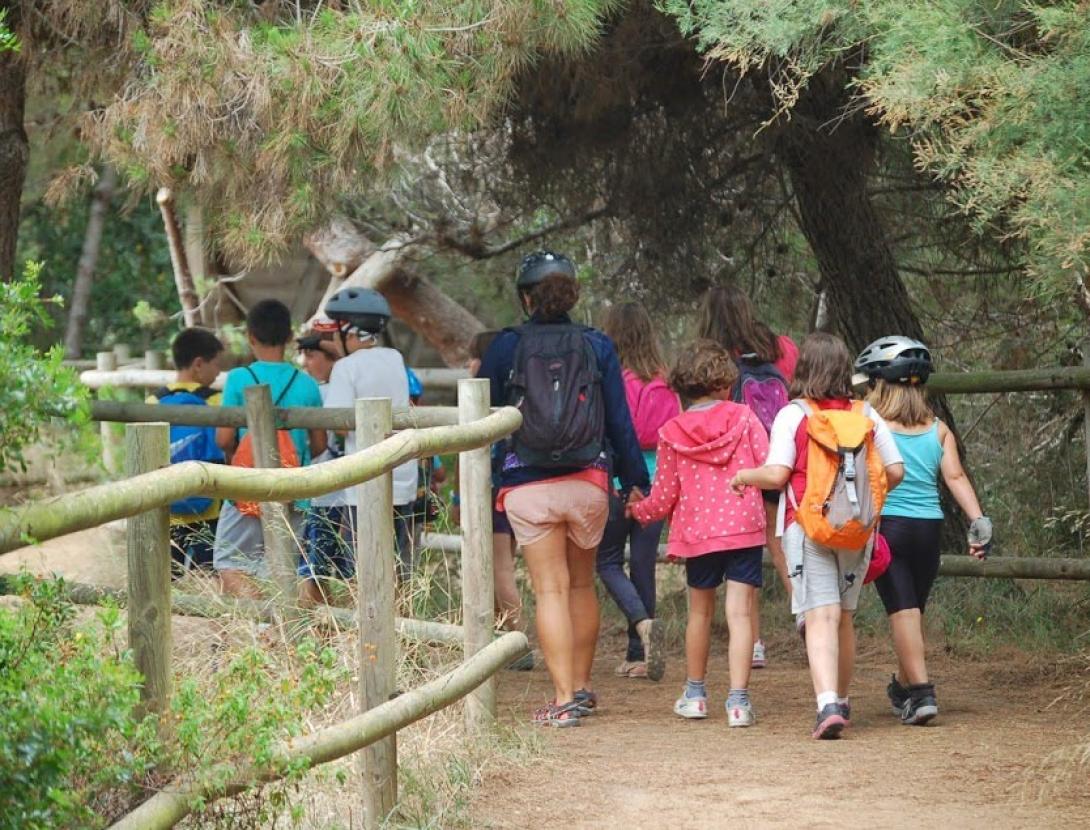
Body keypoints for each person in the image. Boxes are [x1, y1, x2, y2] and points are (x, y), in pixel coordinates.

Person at [478, 251, 649, 727]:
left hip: (527, 483)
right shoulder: (597, 344)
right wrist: (635, 480)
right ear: (573, 293)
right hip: (589, 483)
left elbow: (480, 414)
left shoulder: (505, 347)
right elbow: (619, 420)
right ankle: (583, 685)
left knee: (549, 590)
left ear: (526, 297)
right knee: (579, 584)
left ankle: (561, 698)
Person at [730, 332, 905, 739]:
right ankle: (842, 699)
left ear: (803, 367)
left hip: (806, 526)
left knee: (819, 615)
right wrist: (865, 499)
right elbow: (895, 470)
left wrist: (743, 476)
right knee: (844, 617)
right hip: (857, 529)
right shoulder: (867, 414)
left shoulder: (795, 414)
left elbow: (777, 474)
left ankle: (827, 702)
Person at [627, 341, 768, 726]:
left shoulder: (671, 432)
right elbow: (766, 464)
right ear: (725, 383)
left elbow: (665, 495)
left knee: (700, 614)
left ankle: (696, 693)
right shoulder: (744, 417)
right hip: (743, 527)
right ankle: (738, 703)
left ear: (681, 387)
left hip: (699, 532)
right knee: (740, 614)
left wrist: (638, 510)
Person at [854, 336, 992, 725]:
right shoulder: (938, 428)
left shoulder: (871, 424)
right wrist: (978, 522)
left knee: (902, 611)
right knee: (913, 611)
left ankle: (922, 694)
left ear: (880, 385)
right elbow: (956, 476)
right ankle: (902, 685)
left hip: (890, 527)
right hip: (928, 530)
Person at [697, 284, 795, 668]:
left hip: (738, 462)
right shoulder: (780, 347)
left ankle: (752, 641)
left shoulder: (712, 357)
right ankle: (808, 610)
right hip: (784, 454)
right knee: (783, 539)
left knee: (748, 543)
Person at [213, 300, 326, 597]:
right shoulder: (307, 384)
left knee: (228, 562)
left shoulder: (238, 379)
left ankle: (261, 626)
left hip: (246, 486)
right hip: (295, 489)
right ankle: (283, 630)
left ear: (250, 336)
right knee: (284, 566)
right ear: (290, 337)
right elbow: (320, 444)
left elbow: (224, 440)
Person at [598, 302, 679, 681]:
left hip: (616, 484)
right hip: (656, 486)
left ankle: (641, 629)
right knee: (644, 566)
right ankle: (641, 654)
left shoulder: (611, 379)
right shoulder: (665, 381)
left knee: (608, 561)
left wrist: (622, 483)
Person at [322, 287, 420, 582]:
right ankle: (403, 621)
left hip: (364, 476)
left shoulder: (345, 367)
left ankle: (369, 626)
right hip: (402, 472)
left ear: (349, 330)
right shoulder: (395, 358)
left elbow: (338, 422)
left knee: (365, 564)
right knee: (398, 565)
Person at [147, 327, 226, 577]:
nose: (218, 372)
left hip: (165, 509)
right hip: (209, 509)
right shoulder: (216, 401)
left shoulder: (154, 402)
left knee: (168, 582)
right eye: (216, 364)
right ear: (198, 364)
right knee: (210, 579)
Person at [296, 334, 353, 604]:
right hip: (340, 492)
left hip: (324, 492)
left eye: (312, 355)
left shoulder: (320, 393)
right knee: (323, 568)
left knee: (314, 568)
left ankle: (321, 627)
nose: (305, 363)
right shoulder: (336, 390)